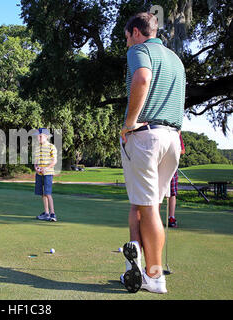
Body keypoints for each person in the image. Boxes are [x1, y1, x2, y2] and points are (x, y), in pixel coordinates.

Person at [119, 12, 186, 294]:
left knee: (147, 208)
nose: (126, 44)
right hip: (172, 138)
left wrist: (129, 123)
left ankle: (155, 277)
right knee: (143, 205)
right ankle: (135, 266)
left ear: (136, 32)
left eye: (126, 38)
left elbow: (142, 79)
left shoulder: (139, 50)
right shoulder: (176, 59)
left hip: (146, 137)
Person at [33, 128, 58, 222]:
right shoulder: (37, 148)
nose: (38, 138)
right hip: (39, 173)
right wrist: (36, 167)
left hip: (48, 173)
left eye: (40, 136)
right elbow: (36, 161)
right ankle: (46, 213)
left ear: (46, 136)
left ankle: (53, 214)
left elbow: (54, 161)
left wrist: (46, 168)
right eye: (37, 136)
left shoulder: (51, 147)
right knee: (42, 194)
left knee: (48, 193)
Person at [168, 132, 186, 228]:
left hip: (172, 166)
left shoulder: (177, 133)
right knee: (156, 193)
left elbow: (182, 150)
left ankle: (171, 217)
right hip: (158, 165)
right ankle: (154, 218)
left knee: (172, 193)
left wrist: (173, 151)